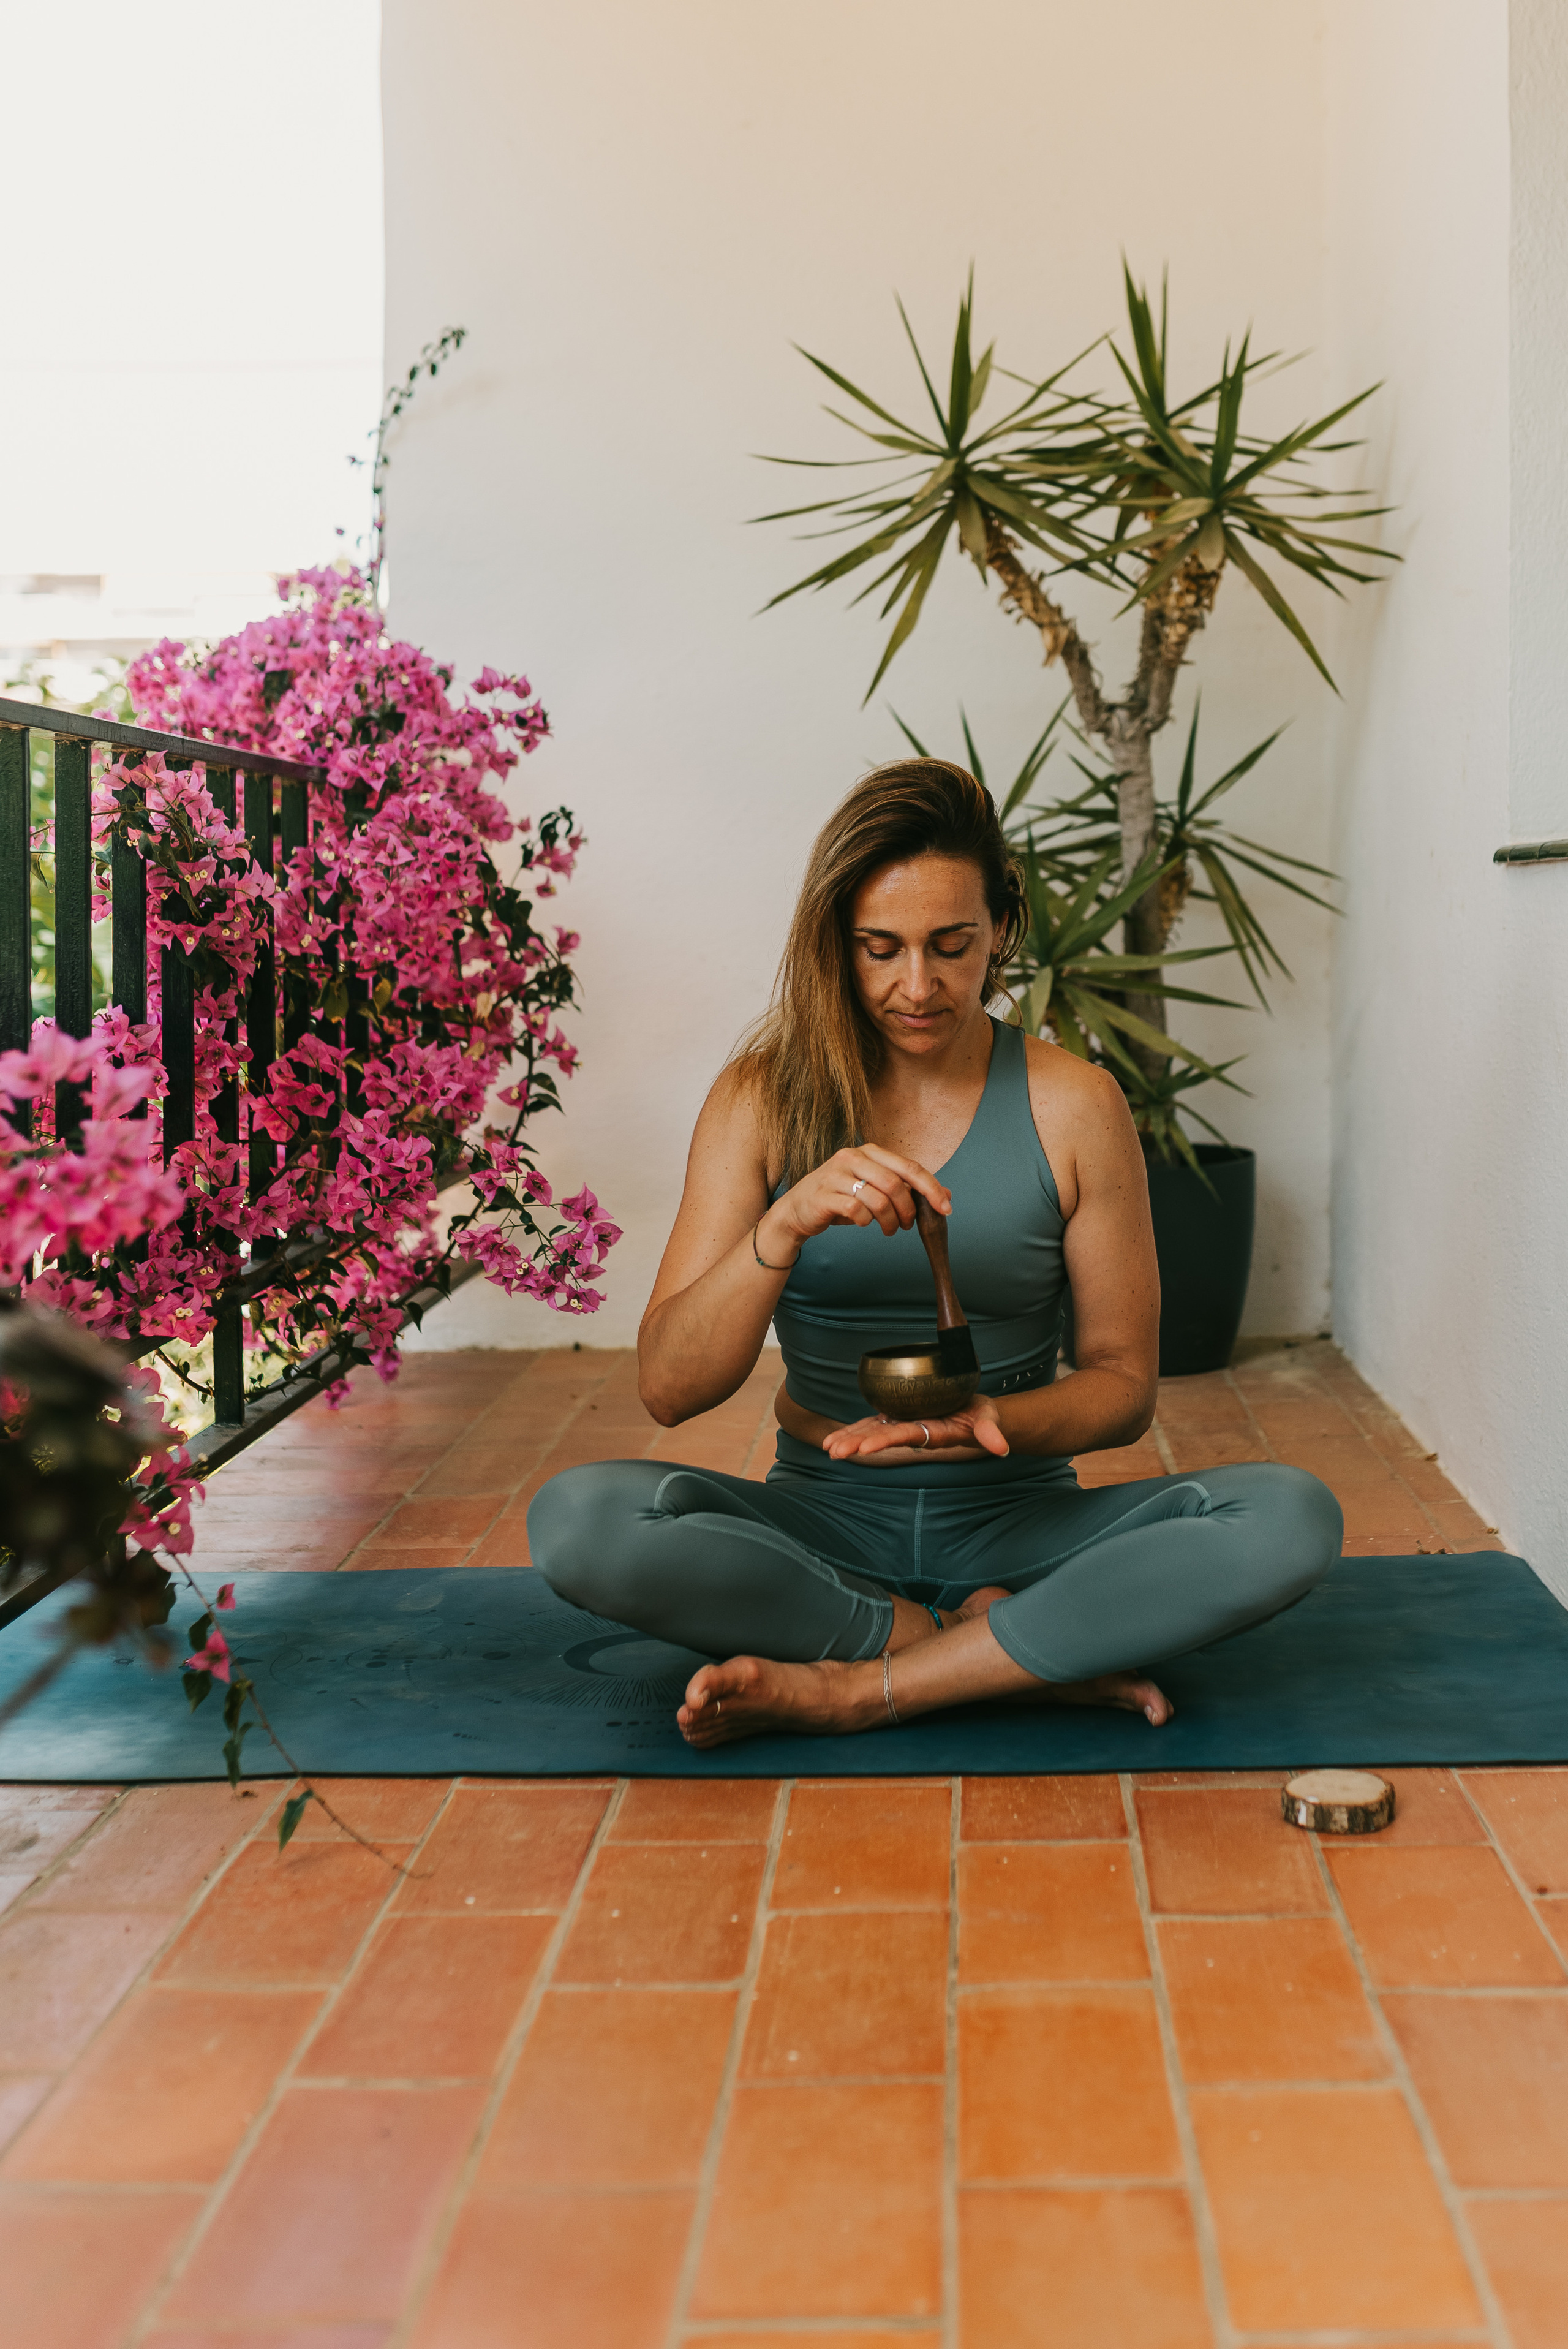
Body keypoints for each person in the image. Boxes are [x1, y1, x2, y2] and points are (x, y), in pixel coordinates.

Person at [529, 760, 1342, 1747]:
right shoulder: (760, 1098)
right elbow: (668, 1387)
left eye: (952, 946)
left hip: (1025, 1527)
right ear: (837, 944)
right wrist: (778, 1229)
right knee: (581, 1520)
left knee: (1290, 1513)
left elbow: (1125, 1387)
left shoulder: (1075, 1102)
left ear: (1001, 926)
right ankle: (989, 1655)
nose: (919, 986)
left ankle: (860, 1685)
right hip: (821, 1532)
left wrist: (988, 1421)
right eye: (881, 949)